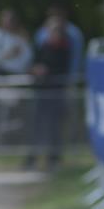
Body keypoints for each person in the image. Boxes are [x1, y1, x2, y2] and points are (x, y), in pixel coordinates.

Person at [26, 15, 72, 170]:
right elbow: (33, 64)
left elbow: (62, 70)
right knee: (37, 127)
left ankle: (54, 159)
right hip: (41, 93)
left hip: (55, 93)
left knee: (54, 128)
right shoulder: (43, 46)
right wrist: (35, 70)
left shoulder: (65, 48)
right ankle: (31, 159)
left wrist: (47, 71)